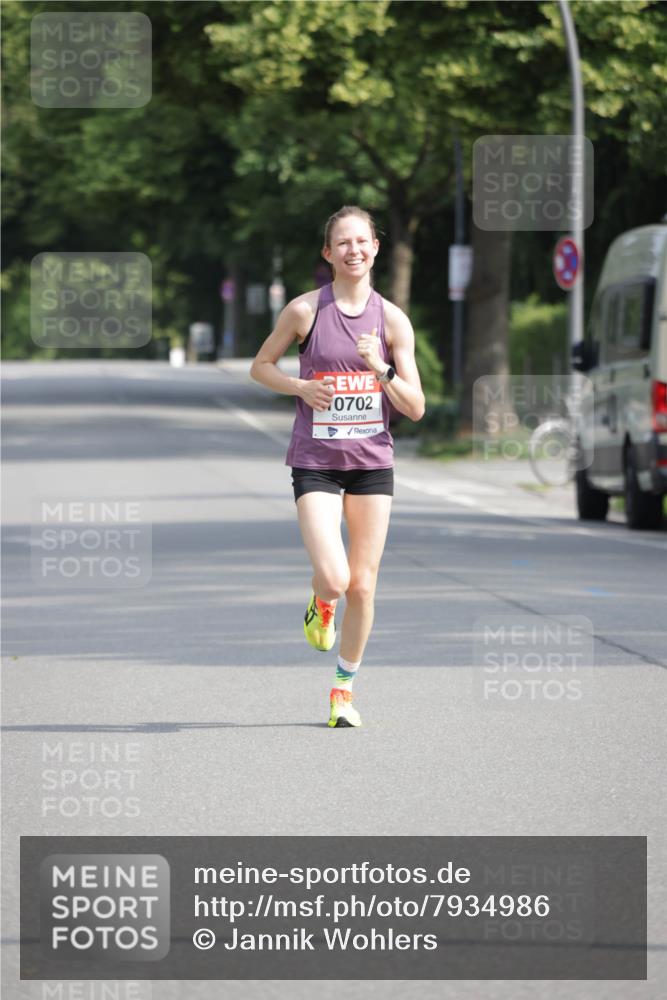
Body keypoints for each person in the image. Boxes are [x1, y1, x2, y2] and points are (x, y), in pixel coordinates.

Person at [250, 206, 425, 727]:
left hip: (372, 463)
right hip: (317, 462)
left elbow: (415, 407)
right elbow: (260, 366)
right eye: (342, 243)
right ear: (329, 254)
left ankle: (343, 692)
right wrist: (301, 386)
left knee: (364, 586)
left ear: (376, 248)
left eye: (362, 241)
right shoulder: (305, 312)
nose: (354, 250)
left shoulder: (392, 320)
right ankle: (320, 601)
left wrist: (381, 368)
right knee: (334, 575)